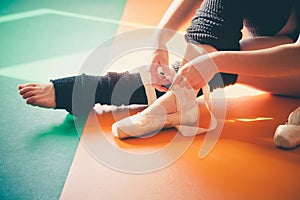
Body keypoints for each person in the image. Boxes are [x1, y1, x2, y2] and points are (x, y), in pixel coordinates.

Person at [18, 0, 300, 148]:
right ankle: (179, 100)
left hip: (294, 65)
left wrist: (216, 60)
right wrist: (159, 40)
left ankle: (100, 90)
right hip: (281, 37)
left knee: (207, 68)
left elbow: (296, 55)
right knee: (199, 70)